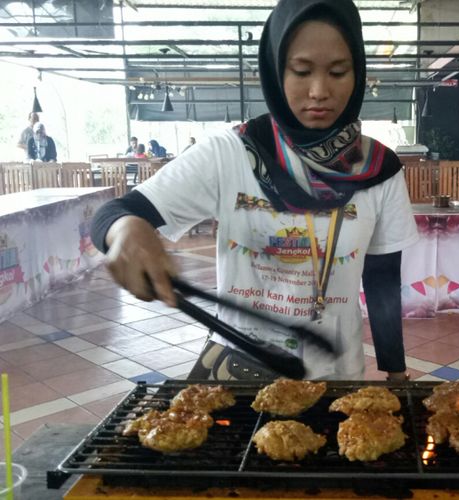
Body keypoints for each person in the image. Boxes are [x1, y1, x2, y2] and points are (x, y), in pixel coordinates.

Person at [91, 0, 417, 382]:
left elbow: (381, 279)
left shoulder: (379, 169)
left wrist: (396, 375)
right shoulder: (229, 153)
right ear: (276, 70)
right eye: (301, 70)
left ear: (358, 72)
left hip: (336, 376)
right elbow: (113, 214)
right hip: (238, 372)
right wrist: (127, 229)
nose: (318, 91)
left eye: (338, 71)